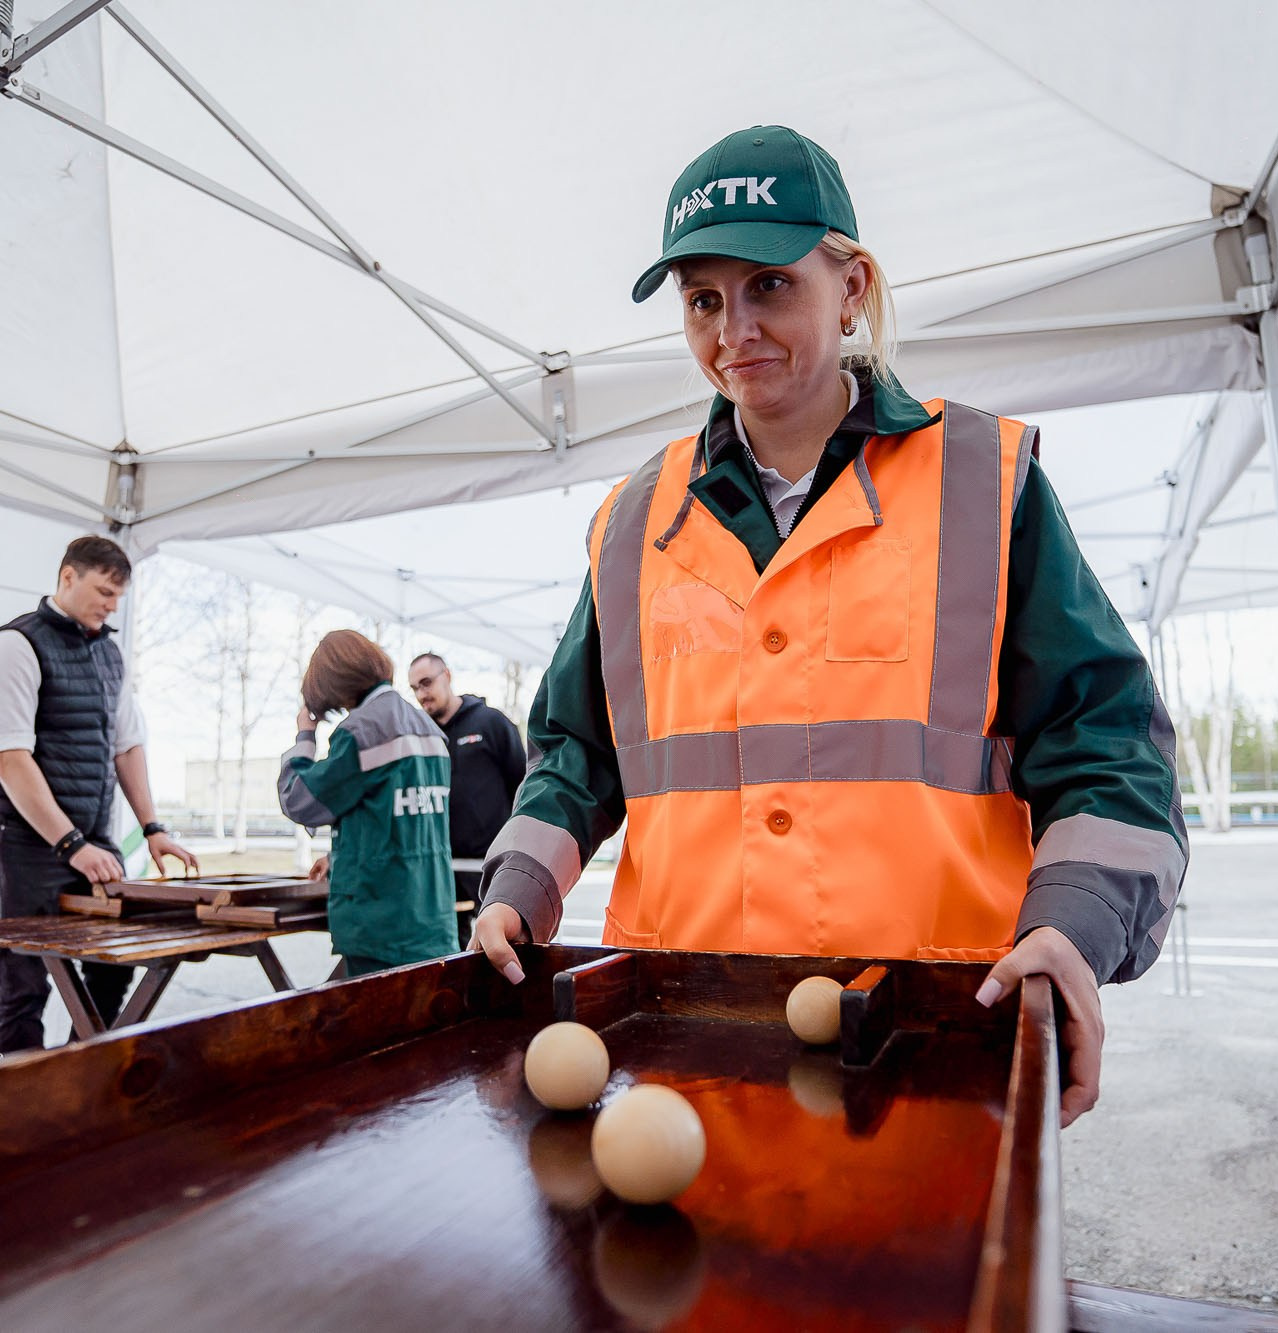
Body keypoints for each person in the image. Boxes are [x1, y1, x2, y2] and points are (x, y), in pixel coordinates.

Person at [470, 128, 1188, 1127]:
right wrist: (515, 889)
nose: (734, 330)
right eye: (703, 300)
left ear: (849, 286)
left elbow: (1105, 738)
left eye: (769, 285)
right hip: (681, 1043)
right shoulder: (635, 521)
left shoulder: (982, 481)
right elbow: (573, 752)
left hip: (930, 1037)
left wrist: (1074, 927)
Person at [0, 536, 197, 1051]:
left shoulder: (109, 653)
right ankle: (19, 1099)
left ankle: (81, 1074)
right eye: (103, 590)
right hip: (27, 842)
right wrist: (71, 844)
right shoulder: (13, 645)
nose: (112, 605)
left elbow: (127, 746)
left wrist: (153, 828)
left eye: (119, 596)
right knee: (24, 982)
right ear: (67, 577)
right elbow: (9, 759)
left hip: (93, 838)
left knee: (111, 962)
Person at [278, 631, 456, 977]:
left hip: (380, 927)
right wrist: (341, 856)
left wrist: (304, 737)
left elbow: (300, 799)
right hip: (432, 917)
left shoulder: (360, 732)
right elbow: (401, 821)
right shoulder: (431, 731)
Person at [407, 652, 527, 946]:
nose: (422, 694)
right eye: (415, 689)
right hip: (445, 869)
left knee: (503, 949)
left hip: (491, 865)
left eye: (426, 683)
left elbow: (523, 785)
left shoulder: (492, 723)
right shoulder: (423, 736)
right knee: (451, 956)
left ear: (446, 675)